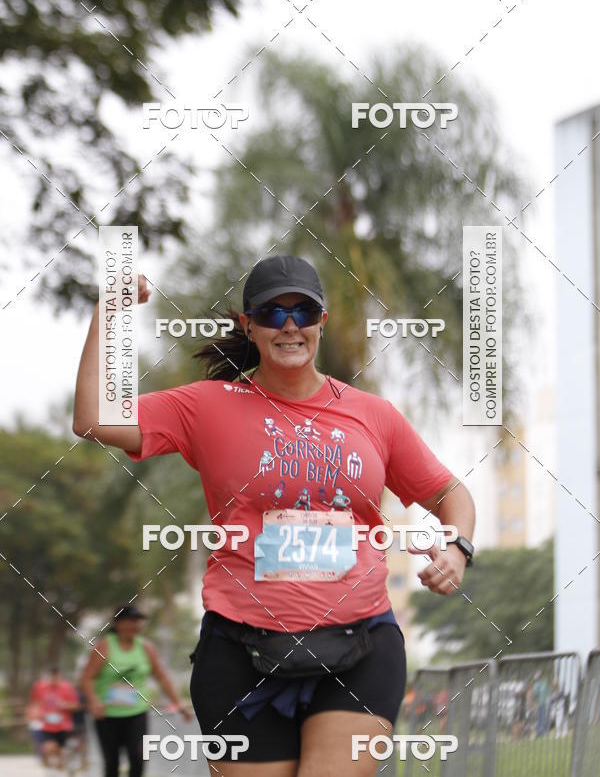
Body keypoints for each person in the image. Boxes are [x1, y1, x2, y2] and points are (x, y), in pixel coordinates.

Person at [73, 255, 476, 776]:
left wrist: (457, 545)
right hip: (241, 652)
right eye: (272, 312)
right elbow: (91, 418)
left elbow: (449, 491)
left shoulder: (373, 415)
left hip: (361, 643)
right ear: (248, 325)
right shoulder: (207, 406)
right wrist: (109, 310)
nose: (290, 325)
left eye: (303, 311)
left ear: (322, 321)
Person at [80, 604, 192, 777]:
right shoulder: (104, 646)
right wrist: (93, 701)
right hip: (107, 715)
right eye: (130, 621)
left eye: (138, 621)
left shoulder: (146, 647)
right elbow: (87, 677)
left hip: (136, 713)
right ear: (118, 623)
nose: (135, 625)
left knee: (138, 758)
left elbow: (161, 677)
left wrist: (178, 703)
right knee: (112, 763)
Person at [28, 666, 79, 770]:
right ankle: (47, 761)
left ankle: (60, 764)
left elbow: (76, 706)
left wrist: (65, 705)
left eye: (56, 677)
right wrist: (34, 713)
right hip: (46, 725)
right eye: (51, 677)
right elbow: (35, 703)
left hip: (63, 725)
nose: (53, 679)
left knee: (60, 749)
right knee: (48, 747)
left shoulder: (67, 687)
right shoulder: (40, 687)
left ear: (60, 676)